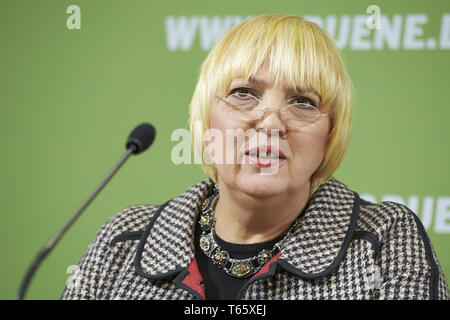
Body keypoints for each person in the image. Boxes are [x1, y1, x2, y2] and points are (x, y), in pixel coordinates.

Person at [61, 14, 448, 300]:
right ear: (206, 119)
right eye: (244, 93)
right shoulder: (124, 241)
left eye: (303, 102)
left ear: (329, 135)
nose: (271, 124)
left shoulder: (383, 240)